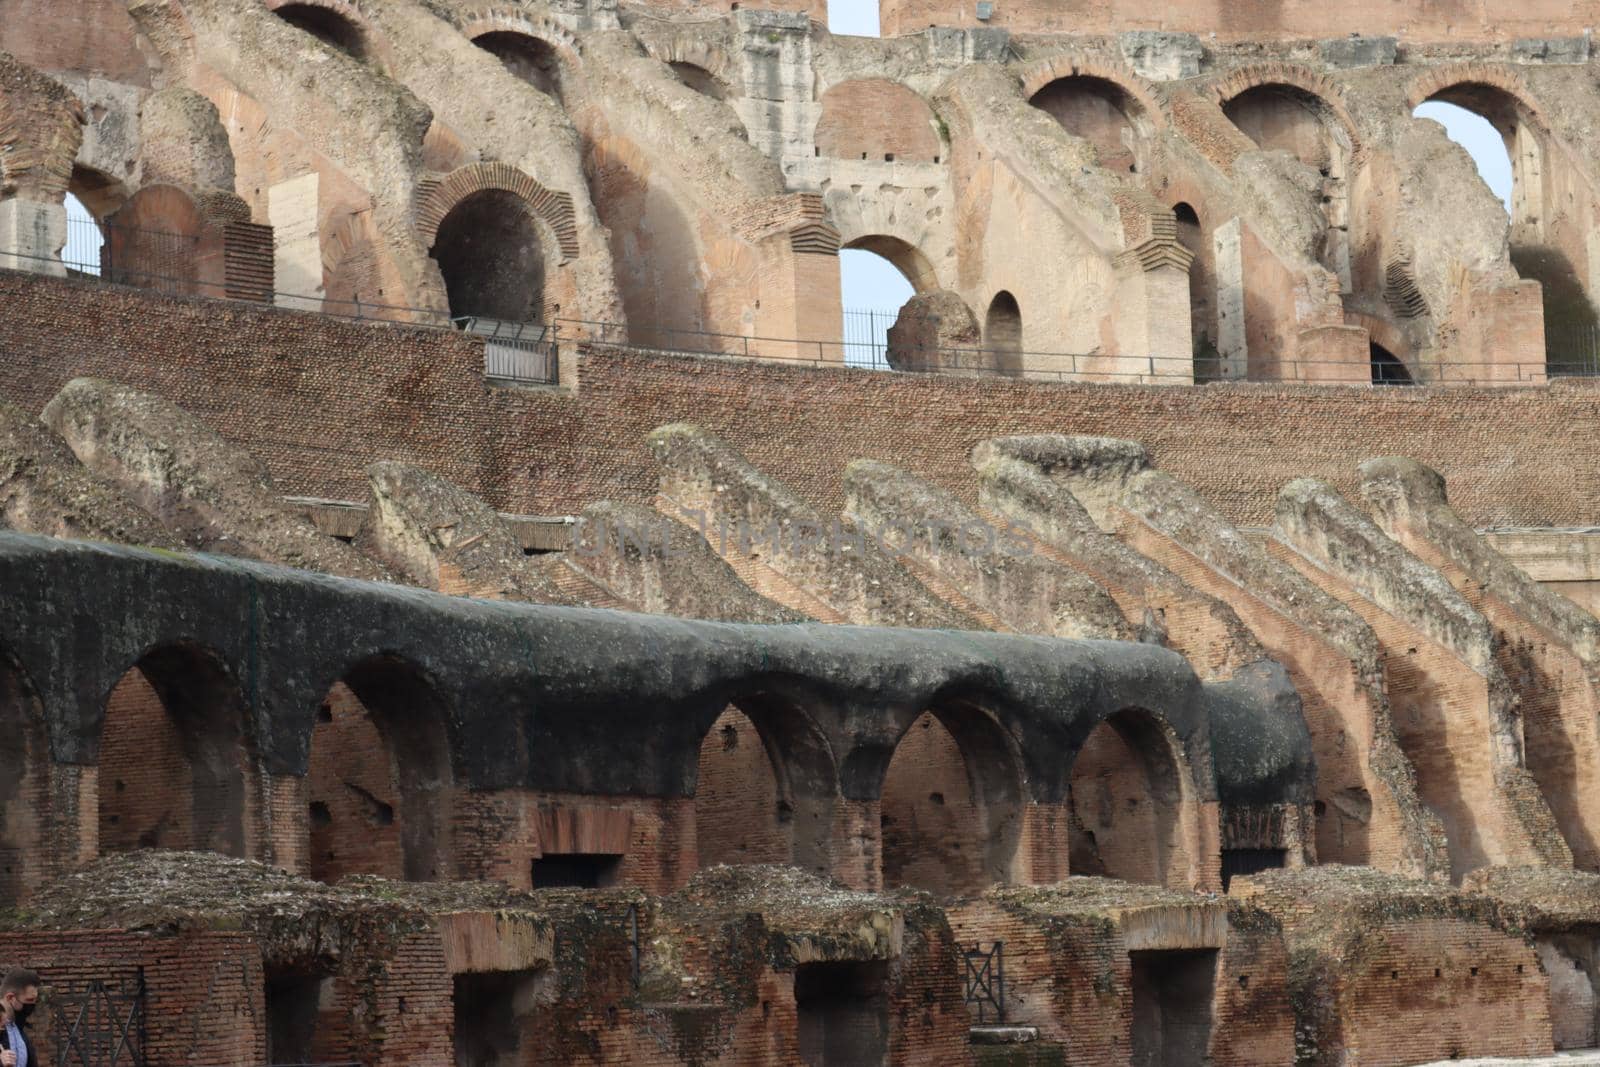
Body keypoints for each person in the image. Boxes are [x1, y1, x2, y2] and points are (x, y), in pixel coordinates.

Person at [0, 967, 39, 1067]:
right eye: (29, 1000)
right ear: (10, 998)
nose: (32, 1005)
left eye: (35, 1000)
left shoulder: (17, 1026)